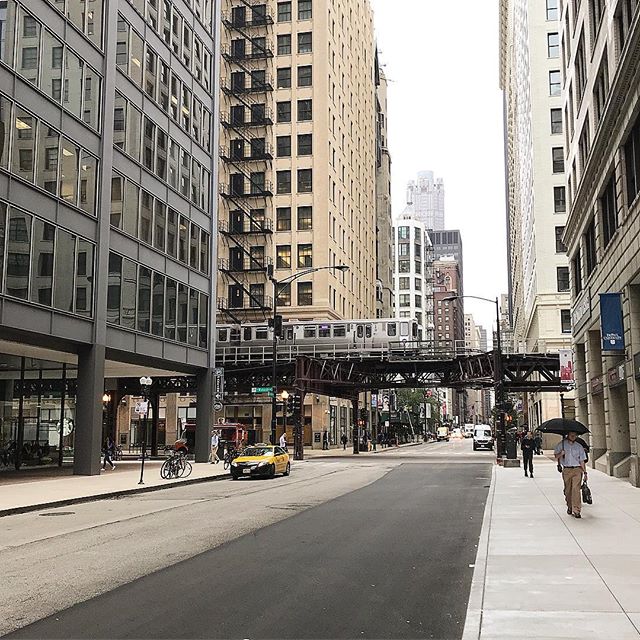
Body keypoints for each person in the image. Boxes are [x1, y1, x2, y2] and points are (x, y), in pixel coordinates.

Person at [554, 431, 588, 518]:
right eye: (571, 434)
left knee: (576, 490)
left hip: (577, 469)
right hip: (567, 470)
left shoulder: (579, 446)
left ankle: (576, 510)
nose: (573, 436)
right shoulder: (561, 445)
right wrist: (561, 454)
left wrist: (585, 472)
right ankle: (569, 506)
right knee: (568, 491)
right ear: (568, 435)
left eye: (575, 435)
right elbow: (556, 456)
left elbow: (582, 461)